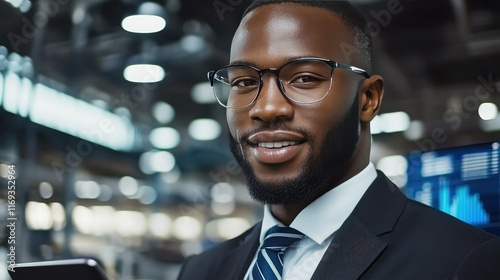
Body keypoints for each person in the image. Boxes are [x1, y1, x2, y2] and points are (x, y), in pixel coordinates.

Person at [176, 1, 500, 279]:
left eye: (304, 78)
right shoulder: (202, 270)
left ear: (367, 99)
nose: (267, 107)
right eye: (244, 81)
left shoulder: (461, 261)